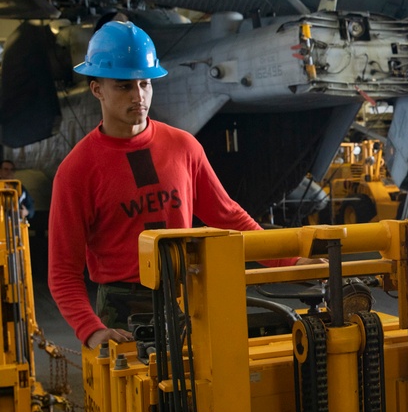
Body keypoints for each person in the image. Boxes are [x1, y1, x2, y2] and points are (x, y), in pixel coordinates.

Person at [49, 20, 318, 349]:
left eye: (145, 83)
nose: (139, 96)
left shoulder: (183, 147)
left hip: (187, 294)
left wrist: (290, 261)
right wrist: (90, 330)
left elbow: (229, 217)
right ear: (97, 89)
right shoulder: (77, 170)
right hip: (124, 308)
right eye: (124, 86)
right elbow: (63, 269)